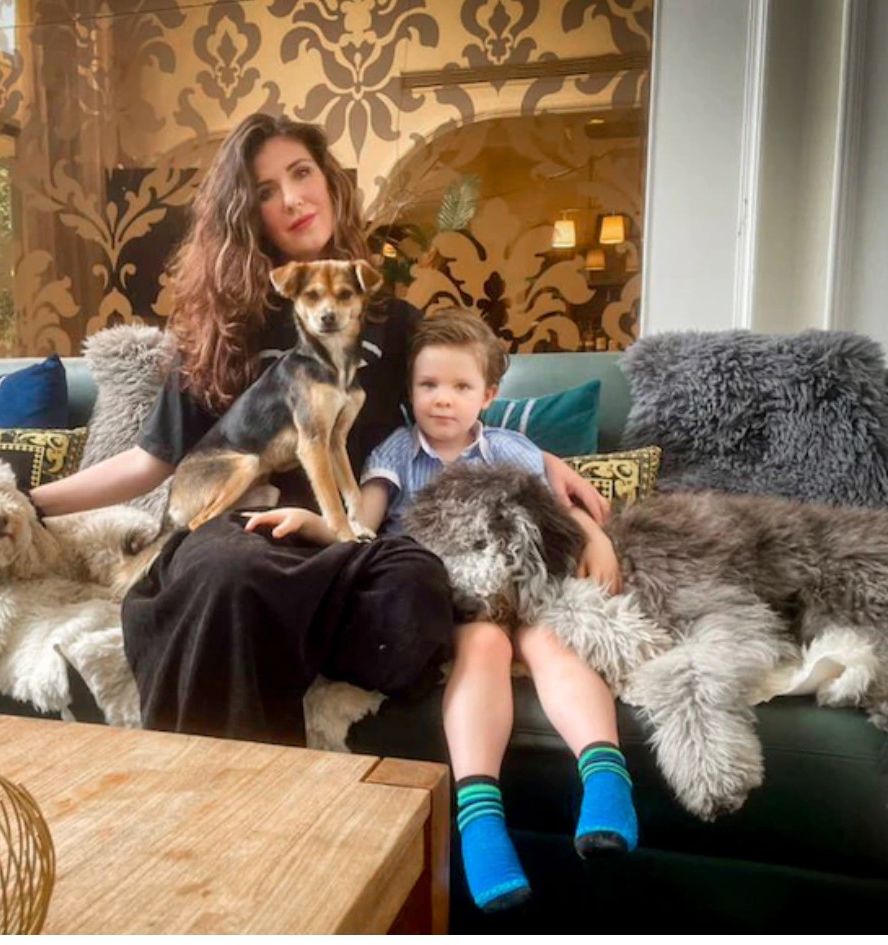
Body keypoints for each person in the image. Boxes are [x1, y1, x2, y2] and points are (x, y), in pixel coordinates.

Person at [33, 112, 608, 749]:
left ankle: (282, 630)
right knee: (232, 575)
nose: (292, 198)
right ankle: (233, 774)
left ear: (330, 182)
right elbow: (150, 460)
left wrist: (552, 470)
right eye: (265, 190)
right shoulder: (221, 330)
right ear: (245, 215)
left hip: (348, 540)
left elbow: (461, 419)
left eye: (301, 173)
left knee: (417, 587)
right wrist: (30, 502)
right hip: (242, 530)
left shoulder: (392, 321)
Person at [245, 309, 637, 912]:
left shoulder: (512, 449)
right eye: (429, 385)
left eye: (460, 386)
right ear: (410, 390)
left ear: (489, 395)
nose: (443, 400)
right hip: (452, 592)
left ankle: (606, 779)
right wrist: (311, 523)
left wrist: (597, 538)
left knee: (549, 640)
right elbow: (361, 527)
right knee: (485, 644)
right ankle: (480, 821)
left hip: (521, 584)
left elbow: (558, 514)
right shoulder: (398, 452)